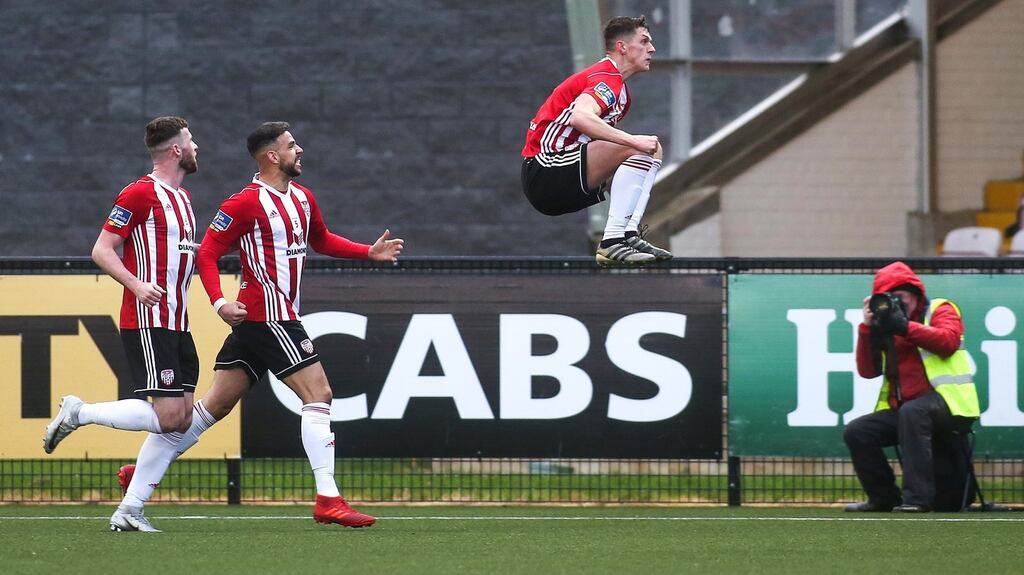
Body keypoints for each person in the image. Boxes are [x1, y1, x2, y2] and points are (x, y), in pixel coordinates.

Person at [110, 122, 403, 531]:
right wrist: (218, 302)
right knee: (320, 394)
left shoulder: (302, 197)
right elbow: (208, 253)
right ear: (271, 156)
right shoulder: (244, 204)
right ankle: (328, 499)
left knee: (212, 407)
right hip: (268, 316)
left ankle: (141, 469)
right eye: (291, 145)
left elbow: (321, 240)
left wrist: (366, 252)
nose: (299, 151)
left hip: (267, 321)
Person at [42, 116, 201, 529]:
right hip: (148, 319)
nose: (197, 146)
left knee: (181, 419)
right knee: (170, 418)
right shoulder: (138, 193)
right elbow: (102, 249)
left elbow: (178, 253)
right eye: (191, 140)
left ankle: (130, 510)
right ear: (175, 150)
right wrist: (136, 285)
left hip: (178, 322)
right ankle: (80, 412)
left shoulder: (182, 200)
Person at [521, 15, 671, 267]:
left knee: (652, 150)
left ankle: (627, 233)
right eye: (644, 41)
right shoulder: (606, 77)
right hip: (544, 170)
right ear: (622, 47)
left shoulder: (622, 93)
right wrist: (632, 142)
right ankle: (612, 241)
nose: (652, 49)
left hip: (560, 176)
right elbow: (580, 117)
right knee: (636, 145)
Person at [843, 261, 980, 512]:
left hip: (949, 405)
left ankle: (917, 500)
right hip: (908, 410)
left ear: (916, 294)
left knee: (913, 412)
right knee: (857, 431)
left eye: (900, 297)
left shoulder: (940, 309)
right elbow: (868, 371)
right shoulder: (884, 326)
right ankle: (883, 499)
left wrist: (904, 327)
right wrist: (867, 329)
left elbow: (948, 341)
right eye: (888, 298)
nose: (895, 303)